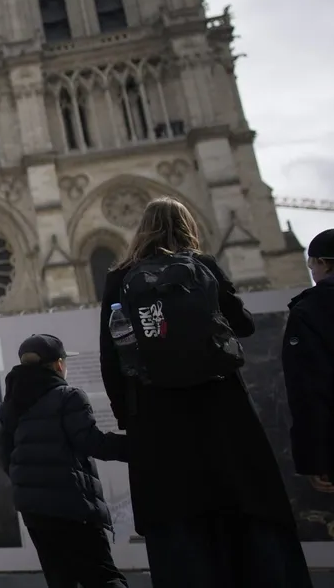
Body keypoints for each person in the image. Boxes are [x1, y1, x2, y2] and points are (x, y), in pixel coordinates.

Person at [99, 197, 311, 586]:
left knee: (176, 518)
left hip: (156, 412)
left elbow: (110, 356)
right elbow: (243, 325)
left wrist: (127, 414)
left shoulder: (120, 277)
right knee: (242, 502)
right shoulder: (202, 266)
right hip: (220, 405)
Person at [0, 334, 129, 588]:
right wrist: (141, 447)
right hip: (73, 506)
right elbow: (92, 442)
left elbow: (6, 457)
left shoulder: (11, 404)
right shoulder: (69, 397)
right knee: (104, 577)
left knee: (60, 580)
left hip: (34, 511)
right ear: (59, 364)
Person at [282, 228, 334, 494]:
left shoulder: (310, 311)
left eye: (311, 264)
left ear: (323, 263)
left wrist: (314, 460)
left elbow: (309, 389)